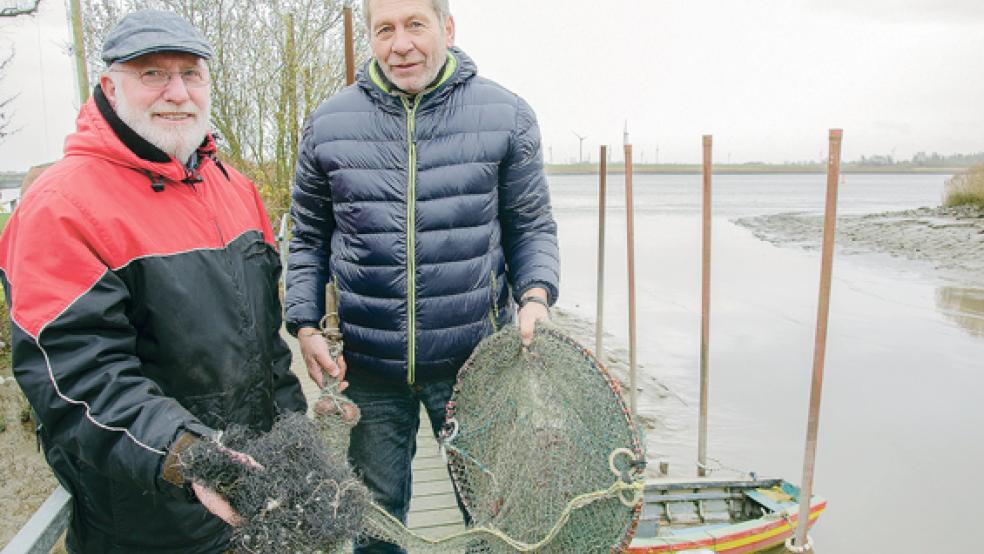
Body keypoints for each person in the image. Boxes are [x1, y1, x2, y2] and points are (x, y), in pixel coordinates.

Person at [0, 10, 306, 553]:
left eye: (191, 73)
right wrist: (189, 456)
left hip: (251, 496)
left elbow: (267, 349)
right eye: (152, 74)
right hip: (147, 520)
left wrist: (295, 434)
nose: (177, 92)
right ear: (110, 86)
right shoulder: (60, 209)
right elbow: (78, 379)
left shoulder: (235, 188)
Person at [286, 0, 560, 551]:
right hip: (368, 364)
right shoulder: (327, 125)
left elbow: (530, 228)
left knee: (492, 516)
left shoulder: (506, 114)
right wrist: (305, 324)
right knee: (374, 521)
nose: (401, 44)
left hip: (474, 366)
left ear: (447, 28)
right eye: (384, 29)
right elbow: (308, 239)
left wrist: (535, 296)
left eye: (416, 24)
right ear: (371, 38)